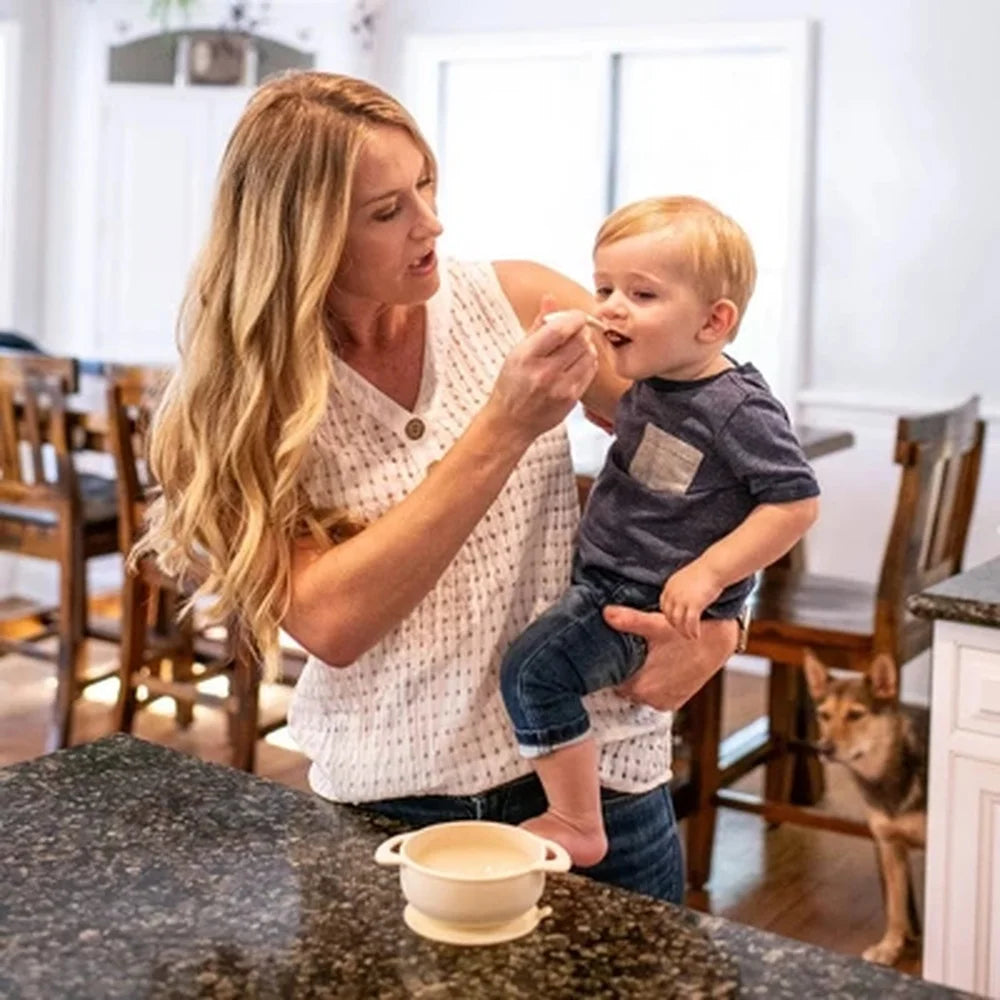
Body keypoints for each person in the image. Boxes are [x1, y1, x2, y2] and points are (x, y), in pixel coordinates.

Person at [141, 71, 737, 905]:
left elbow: (724, 452)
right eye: (388, 211)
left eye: (425, 185)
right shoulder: (249, 398)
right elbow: (332, 621)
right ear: (302, 236)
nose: (432, 222)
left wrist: (719, 621)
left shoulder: (521, 303)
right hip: (395, 808)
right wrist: (504, 425)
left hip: (601, 786)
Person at [500, 196, 820, 867]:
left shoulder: (737, 408)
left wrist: (711, 575)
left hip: (643, 594)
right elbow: (667, 456)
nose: (612, 307)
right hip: (613, 576)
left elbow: (795, 503)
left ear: (714, 321)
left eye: (641, 294)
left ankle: (577, 820)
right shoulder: (654, 382)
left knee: (534, 675)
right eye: (605, 288)